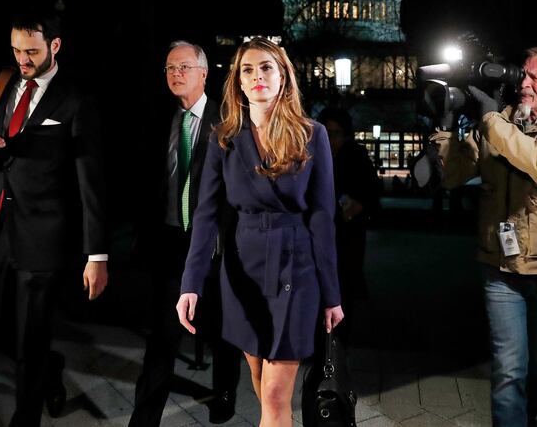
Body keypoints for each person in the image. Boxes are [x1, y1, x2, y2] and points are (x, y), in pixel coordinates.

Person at [176, 37, 344, 427]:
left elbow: (322, 218)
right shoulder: (223, 138)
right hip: (241, 270)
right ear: (237, 81)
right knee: (258, 380)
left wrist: (332, 294)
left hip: (295, 269)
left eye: (266, 67)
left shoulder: (312, 134)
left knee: (273, 394)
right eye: (247, 70)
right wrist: (191, 283)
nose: (257, 77)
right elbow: (205, 215)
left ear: (283, 75)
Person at [431, 46, 537, 427]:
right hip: (500, 265)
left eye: (534, 77)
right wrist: (445, 126)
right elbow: (454, 175)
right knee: (508, 369)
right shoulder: (500, 121)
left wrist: (491, 118)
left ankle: (527, 418)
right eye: (522, 75)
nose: (523, 83)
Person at [0, 3, 108, 427]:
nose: (22, 60)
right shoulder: (6, 85)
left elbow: (92, 182)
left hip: (45, 236)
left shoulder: (77, 100)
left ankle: (26, 416)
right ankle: (50, 367)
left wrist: (96, 255)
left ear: (55, 45)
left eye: (31, 51)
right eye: (16, 50)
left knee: (29, 334)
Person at [130, 41, 241, 426]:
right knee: (163, 333)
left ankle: (225, 390)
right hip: (172, 241)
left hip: (215, 245)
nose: (175, 74)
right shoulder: (163, 118)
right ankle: (145, 416)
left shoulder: (227, 119)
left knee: (221, 326)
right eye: (169, 68)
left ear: (204, 73)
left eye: (184, 67)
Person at [317, 106, 380, 341]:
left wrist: (357, 207)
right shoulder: (310, 155)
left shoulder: (357, 157)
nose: (331, 139)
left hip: (346, 238)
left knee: (343, 291)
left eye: (336, 133)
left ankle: (339, 344)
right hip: (315, 238)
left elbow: (372, 196)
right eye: (326, 132)